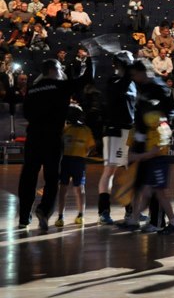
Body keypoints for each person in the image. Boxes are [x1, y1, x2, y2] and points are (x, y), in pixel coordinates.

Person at [18, 56, 93, 230]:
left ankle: (23, 217)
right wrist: (90, 59)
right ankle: (44, 211)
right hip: (52, 138)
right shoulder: (61, 86)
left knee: (28, 177)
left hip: (33, 138)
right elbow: (87, 78)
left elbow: (26, 113)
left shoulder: (32, 89)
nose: (62, 72)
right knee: (52, 178)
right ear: (53, 70)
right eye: (60, 69)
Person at [127, 98, 174, 235]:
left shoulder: (160, 126)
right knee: (146, 193)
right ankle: (134, 220)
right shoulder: (152, 126)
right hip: (153, 163)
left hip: (159, 163)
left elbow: (156, 150)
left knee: (161, 194)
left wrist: (137, 157)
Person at [97, 51, 136, 224]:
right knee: (110, 170)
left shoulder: (132, 83)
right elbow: (120, 88)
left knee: (129, 173)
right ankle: (104, 211)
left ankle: (130, 210)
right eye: (130, 62)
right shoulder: (113, 80)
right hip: (115, 129)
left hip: (129, 130)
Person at [55, 105, 95, 227]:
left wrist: (84, 153)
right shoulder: (68, 129)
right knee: (74, 189)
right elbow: (91, 146)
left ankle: (68, 216)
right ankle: (72, 215)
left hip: (74, 161)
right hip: (70, 161)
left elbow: (91, 145)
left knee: (70, 189)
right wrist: (85, 152)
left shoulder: (82, 130)